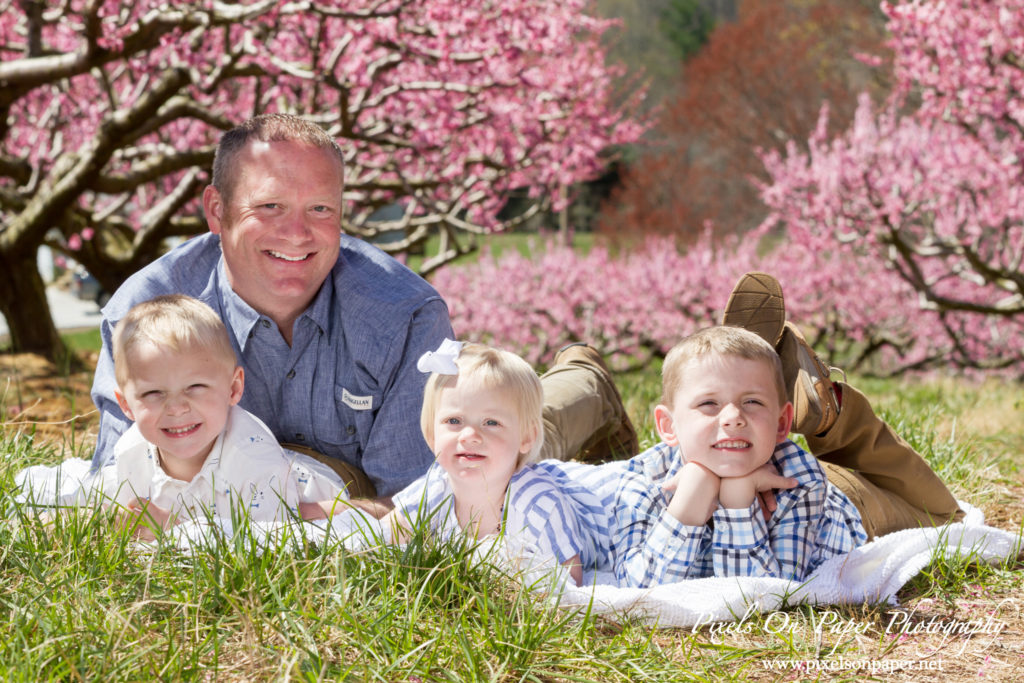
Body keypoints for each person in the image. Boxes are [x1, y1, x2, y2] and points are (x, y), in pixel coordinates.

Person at [609, 326, 867, 586]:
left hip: (856, 506)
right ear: (668, 425)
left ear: (781, 423)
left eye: (752, 402)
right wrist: (686, 507)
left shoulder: (800, 481)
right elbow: (637, 593)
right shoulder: (642, 482)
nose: (733, 418)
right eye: (708, 403)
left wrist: (738, 502)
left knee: (898, 486)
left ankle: (839, 412)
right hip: (772, 460)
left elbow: (776, 595)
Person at [109, 294, 350, 538]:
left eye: (195, 387)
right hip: (264, 480)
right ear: (126, 405)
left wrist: (175, 529)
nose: (176, 408)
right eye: (153, 392)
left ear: (233, 389)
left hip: (322, 477)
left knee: (323, 517)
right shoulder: (130, 453)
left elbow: (266, 549)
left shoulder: (255, 463)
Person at [384, 341, 587, 585]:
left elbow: (571, 582)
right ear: (431, 434)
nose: (469, 435)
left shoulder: (538, 506)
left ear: (526, 437)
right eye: (454, 420)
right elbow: (381, 537)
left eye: (491, 422)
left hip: (587, 506)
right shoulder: (432, 493)